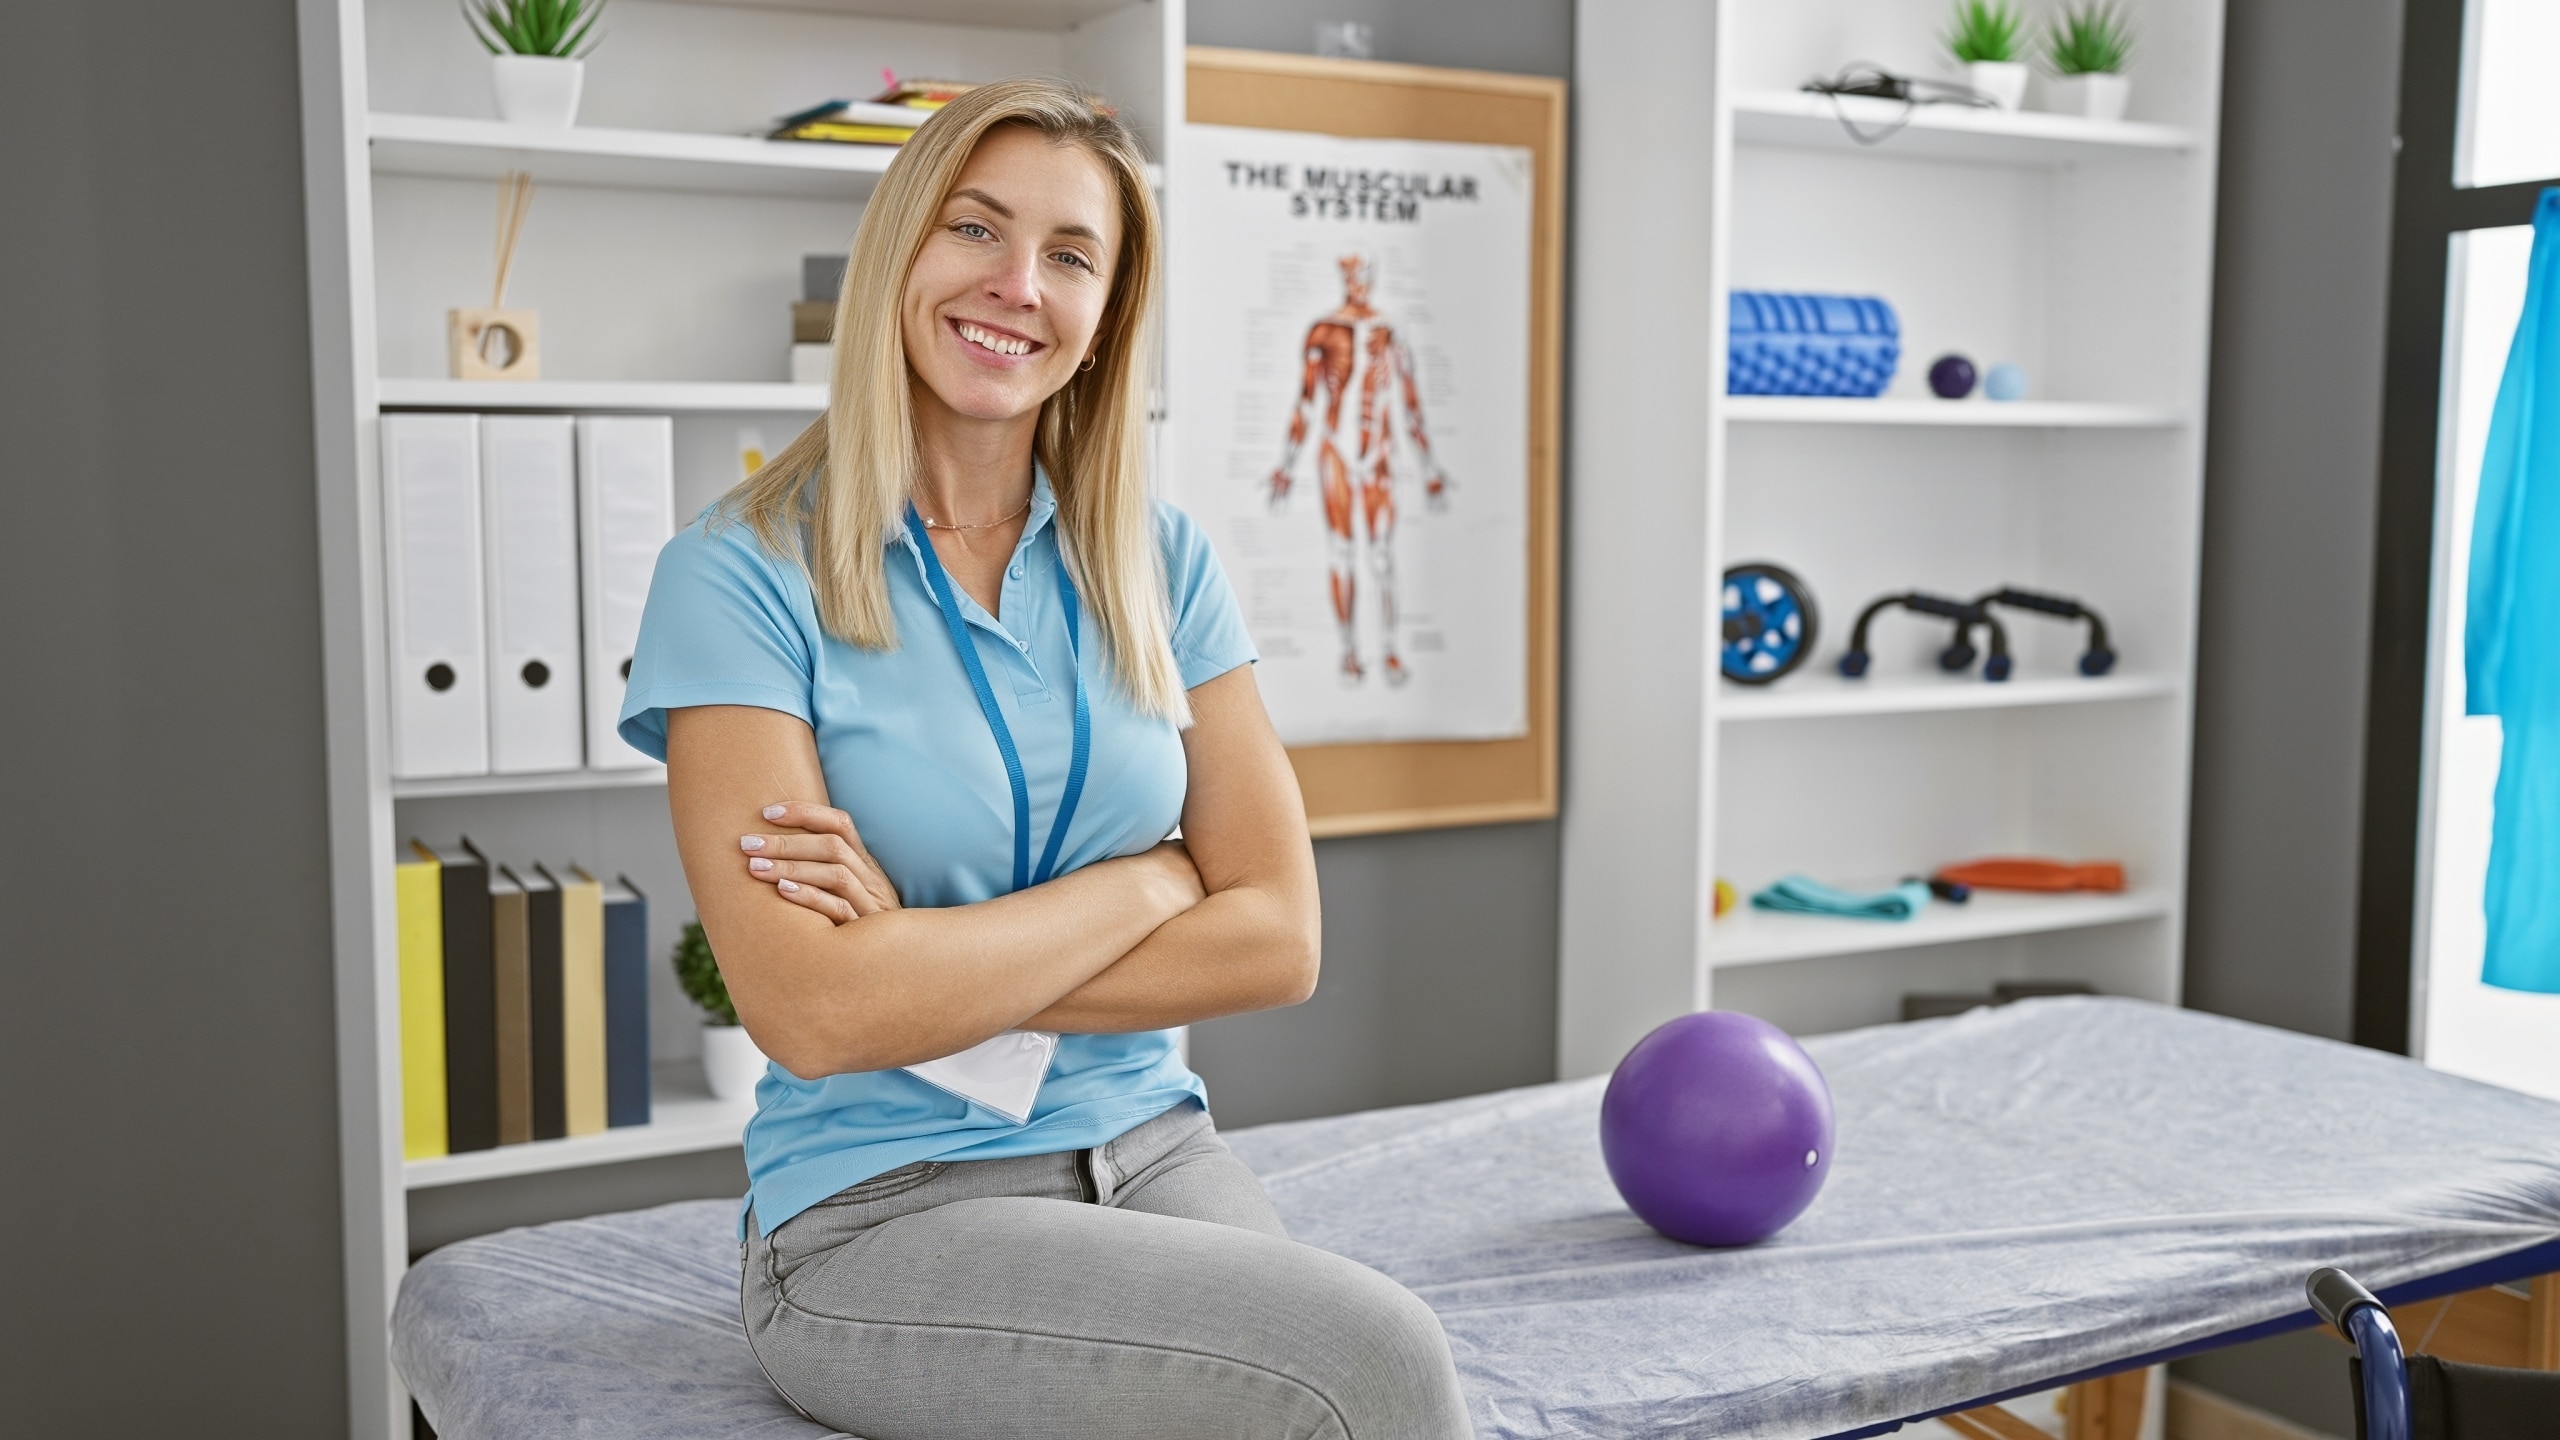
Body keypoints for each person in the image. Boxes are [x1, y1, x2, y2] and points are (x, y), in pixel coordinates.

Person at [616, 78, 1475, 1440]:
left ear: (1104, 318)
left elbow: (1278, 940)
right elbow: (816, 1014)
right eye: (976, 230)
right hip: (876, 1209)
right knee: (1373, 1358)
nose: (1018, 285)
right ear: (903, 248)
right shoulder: (734, 577)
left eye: (1071, 256)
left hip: (1152, 1148)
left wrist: (921, 954)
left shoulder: (1161, 562)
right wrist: (1148, 884)